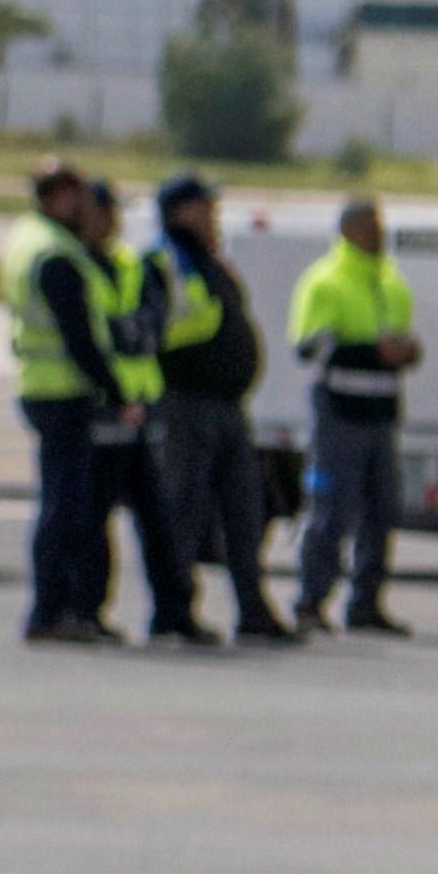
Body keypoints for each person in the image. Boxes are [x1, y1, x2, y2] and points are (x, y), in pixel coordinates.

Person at [5, 162, 176, 648]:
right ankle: (52, 610)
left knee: (65, 507)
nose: (87, 209)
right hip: (63, 392)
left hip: (43, 386)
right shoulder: (58, 254)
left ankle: (59, 609)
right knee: (66, 509)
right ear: (59, 198)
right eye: (77, 198)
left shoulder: (28, 239)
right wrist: (114, 391)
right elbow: (79, 337)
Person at [143, 178, 283, 651]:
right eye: (204, 206)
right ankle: (176, 609)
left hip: (225, 405)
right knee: (184, 509)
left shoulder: (207, 260)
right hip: (187, 401)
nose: (213, 213)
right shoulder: (164, 263)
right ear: (180, 211)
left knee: (246, 511)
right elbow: (160, 330)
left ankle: (254, 610)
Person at [289, 195, 421, 640]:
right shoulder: (326, 281)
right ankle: (310, 602)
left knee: (382, 513)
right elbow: (309, 347)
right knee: (331, 514)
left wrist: (407, 352)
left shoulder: (391, 282)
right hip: (339, 414)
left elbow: (400, 340)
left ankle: (365, 605)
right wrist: (373, 352)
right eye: (368, 226)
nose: (377, 234)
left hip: (381, 415)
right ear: (347, 230)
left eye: (380, 225)